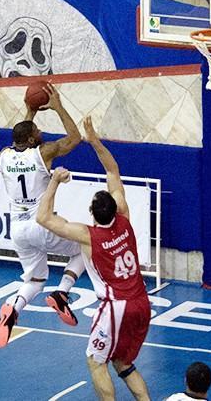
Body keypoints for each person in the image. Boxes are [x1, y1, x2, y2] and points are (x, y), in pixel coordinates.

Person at [37, 116, 151, 401]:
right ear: (115, 207)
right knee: (122, 362)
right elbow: (112, 170)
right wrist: (94, 140)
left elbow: (43, 218)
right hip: (141, 300)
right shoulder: (124, 216)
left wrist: (54, 182)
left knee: (95, 360)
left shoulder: (88, 236)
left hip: (116, 307)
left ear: (92, 213)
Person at [0, 82, 84, 347]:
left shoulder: (3, 155)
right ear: (33, 139)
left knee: (35, 280)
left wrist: (29, 111)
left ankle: (14, 308)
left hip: (18, 230)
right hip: (41, 223)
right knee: (83, 248)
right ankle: (63, 293)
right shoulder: (44, 153)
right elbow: (75, 138)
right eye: (37, 130)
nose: (41, 130)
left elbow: (18, 137)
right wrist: (58, 107)